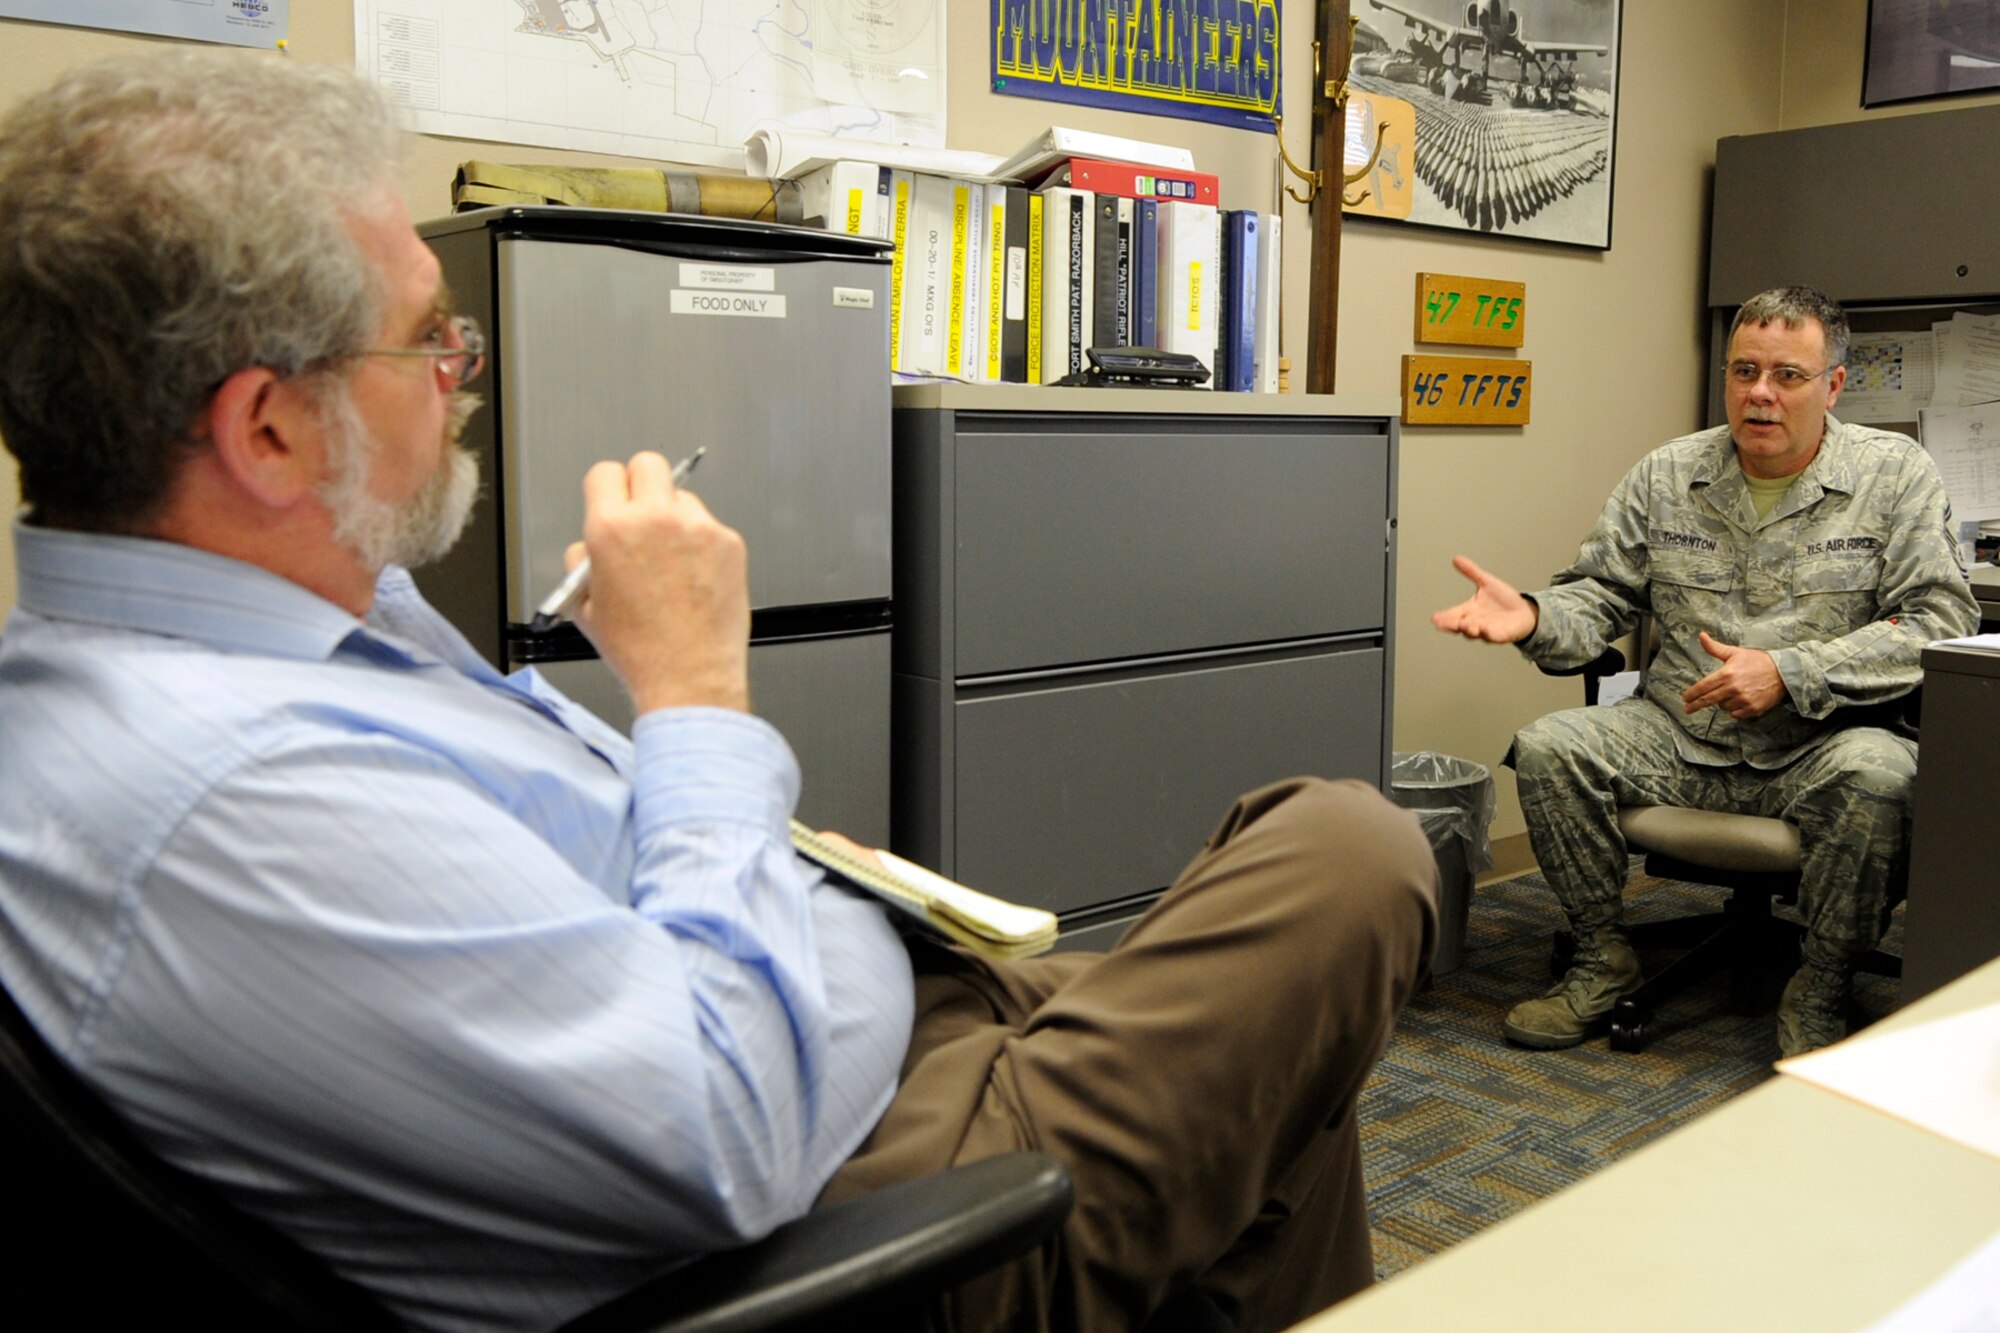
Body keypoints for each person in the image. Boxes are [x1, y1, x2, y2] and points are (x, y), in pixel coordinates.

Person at [0, 51, 1438, 1333]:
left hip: (862, 1050)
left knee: (1279, 1069)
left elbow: (566, 897)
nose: (464, 375)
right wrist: (696, 695)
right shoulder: (220, 793)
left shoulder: (281, 629)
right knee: (1346, 852)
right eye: (431, 339)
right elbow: (725, 1130)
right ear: (265, 428)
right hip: (849, 1215)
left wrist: (803, 878)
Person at [1432, 286, 1980, 1058]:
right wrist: (1534, 615)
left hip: (1821, 742)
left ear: (1833, 386)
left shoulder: (1894, 476)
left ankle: (1820, 989)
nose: (1760, 393)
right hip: (1677, 732)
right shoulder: (1668, 473)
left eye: (1788, 375)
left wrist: (1790, 673)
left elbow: (1938, 618)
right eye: (1744, 370)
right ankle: (1601, 957)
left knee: (1884, 777)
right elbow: (1600, 592)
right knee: (1551, 746)